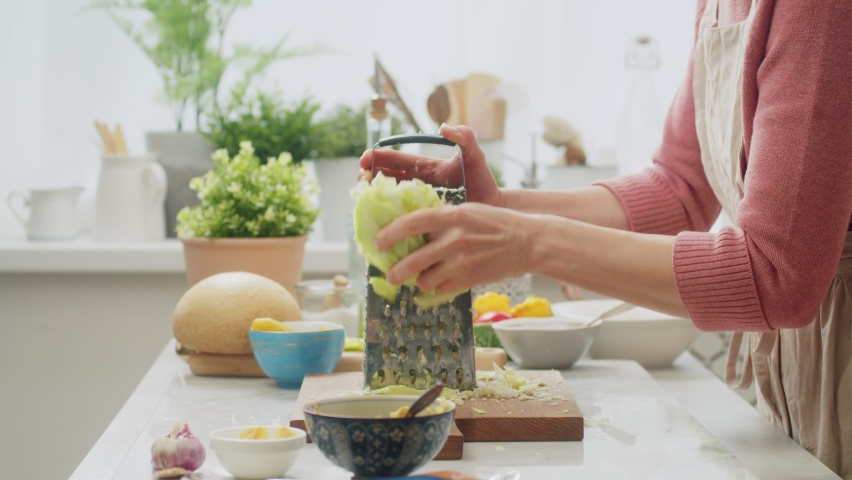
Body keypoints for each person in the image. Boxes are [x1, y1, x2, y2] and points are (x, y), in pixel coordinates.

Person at [359, 0, 852, 477]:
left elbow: (776, 275)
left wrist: (529, 243)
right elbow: (679, 188)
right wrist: (503, 210)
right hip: (797, 378)